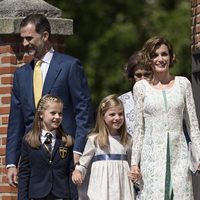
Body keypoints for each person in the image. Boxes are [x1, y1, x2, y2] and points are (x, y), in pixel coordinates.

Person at [6, 14, 93, 200]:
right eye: (22, 38)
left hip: (65, 158)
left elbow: (83, 111)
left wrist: (78, 150)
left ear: (45, 36)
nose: (24, 43)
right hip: (34, 162)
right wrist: (11, 162)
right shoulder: (21, 74)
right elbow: (16, 121)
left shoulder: (70, 66)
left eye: (29, 38)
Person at [130, 36, 200, 200]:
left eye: (164, 54)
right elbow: (139, 129)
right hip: (152, 158)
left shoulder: (183, 84)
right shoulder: (141, 88)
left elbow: (193, 126)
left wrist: (198, 156)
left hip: (179, 157)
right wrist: (135, 163)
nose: (160, 59)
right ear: (149, 59)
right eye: (155, 55)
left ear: (170, 57)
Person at [72, 94, 135, 200]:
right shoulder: (94, 139)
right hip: (101, 186)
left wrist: (134, 173)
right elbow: (84, 163)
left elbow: (131, 163)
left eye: (120, 114)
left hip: (122, 186)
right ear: (103, 116)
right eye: (112, 114)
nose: (117, 118)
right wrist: (78, 172)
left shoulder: (127, 140)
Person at [18, 94, 73, 200]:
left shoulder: (67, 141)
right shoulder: (28, 140)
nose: (57, 117)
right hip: (37, 195)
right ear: (41, 114)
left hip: (61, 195)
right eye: (53, 113)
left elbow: (70, 171)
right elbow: (25, 172)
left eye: (60, 113)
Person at [119, 51, 152, 136]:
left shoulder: (162, 97)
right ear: (132, 77)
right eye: (138, 75)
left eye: (147, 74)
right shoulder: (121, 102)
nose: (143, 79)